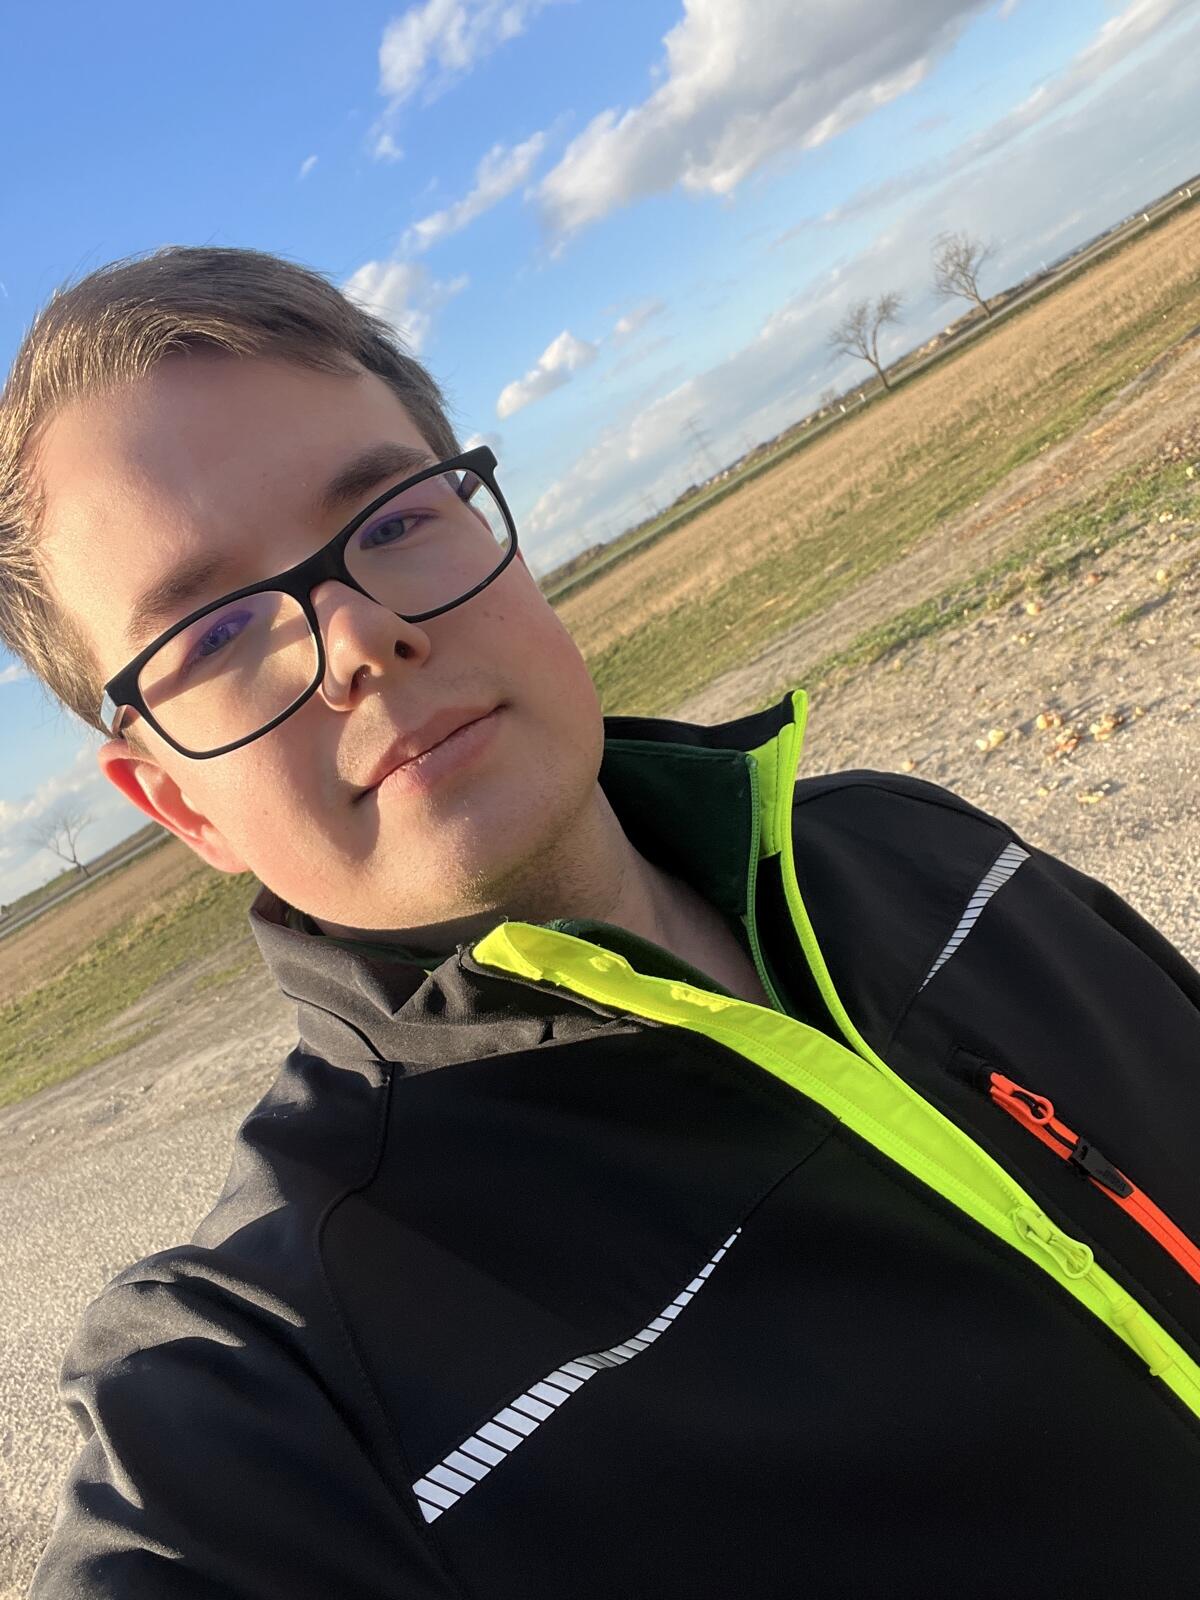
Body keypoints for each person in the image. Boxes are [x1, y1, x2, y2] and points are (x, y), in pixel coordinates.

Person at [3, 247, 1198, 1599]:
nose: (357, 641)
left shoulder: (920, 844)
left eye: (392, 518)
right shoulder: (288, 1378)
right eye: (214, 635)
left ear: (496, 535)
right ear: (180, 806)